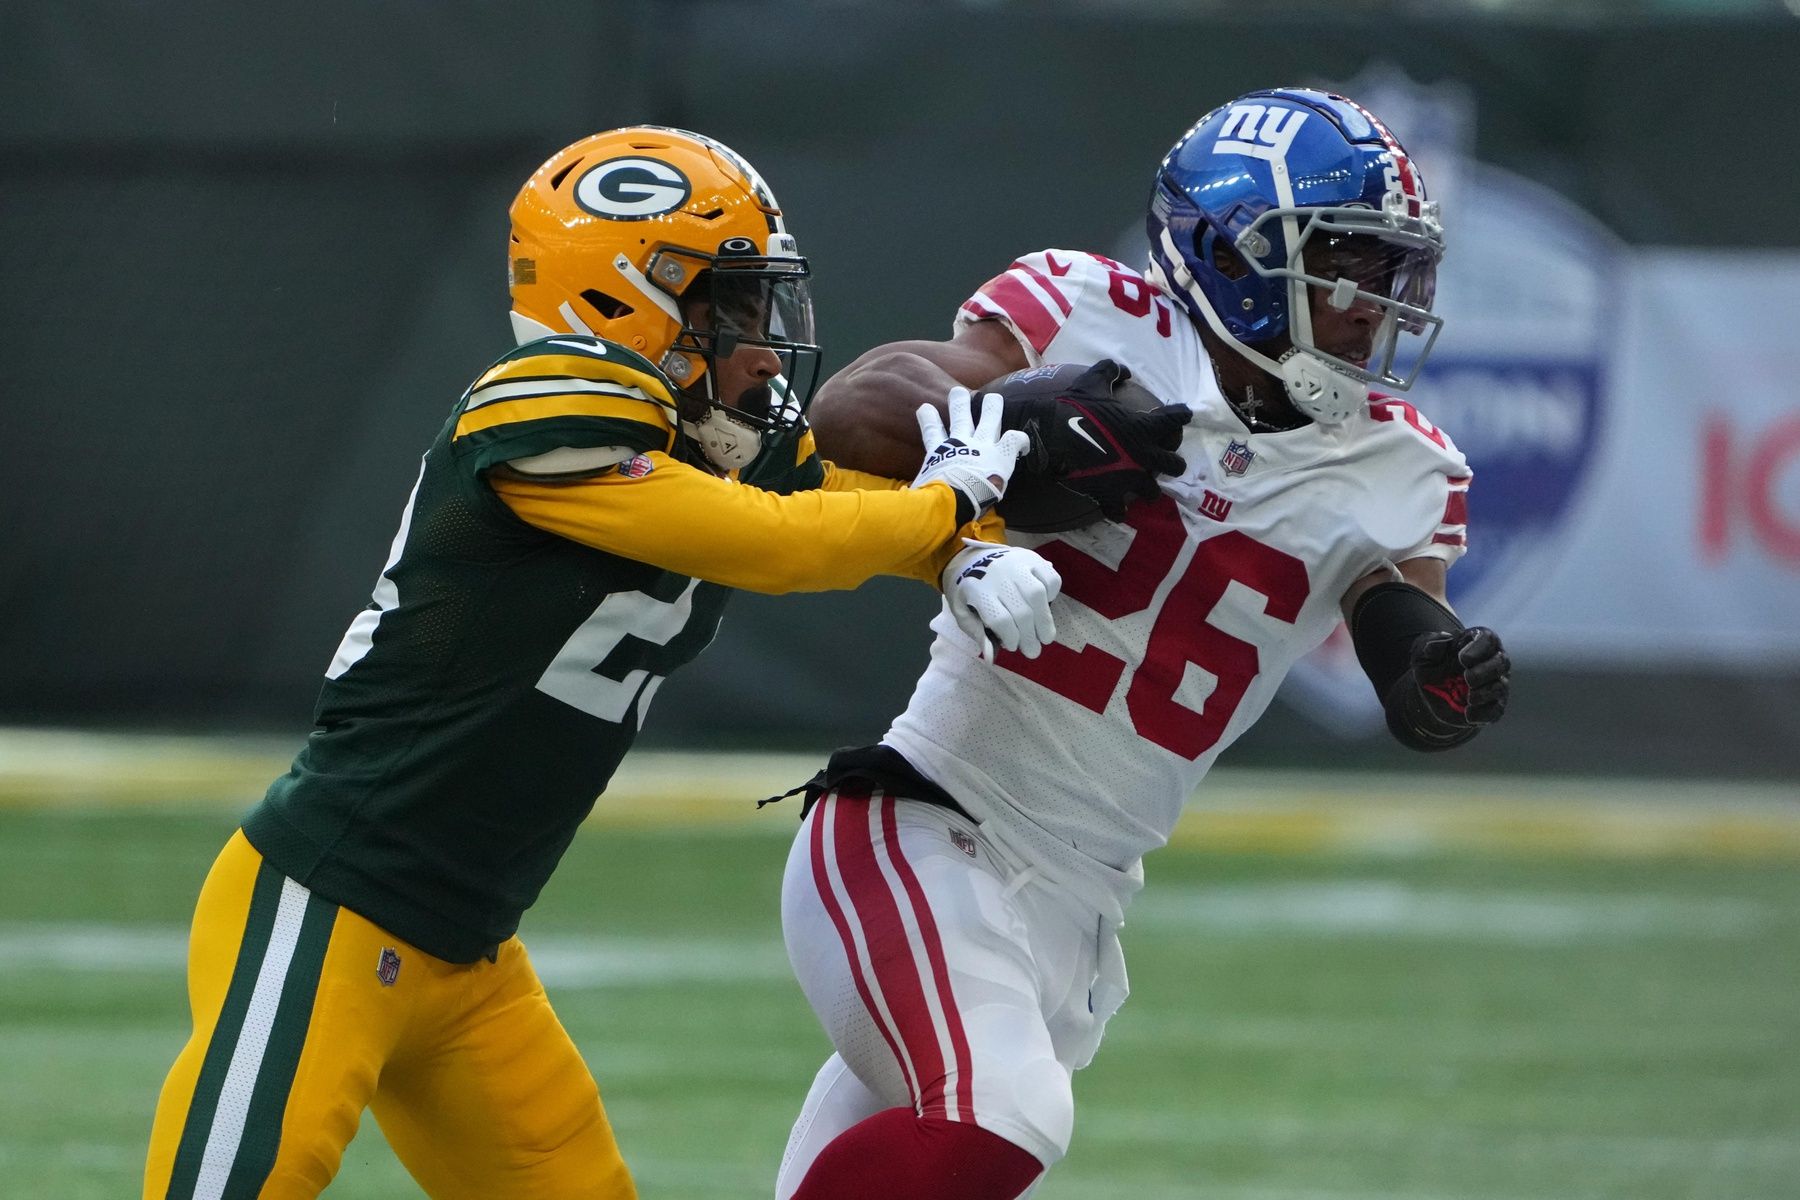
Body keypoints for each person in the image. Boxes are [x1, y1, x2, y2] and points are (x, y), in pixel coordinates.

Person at [139, 124, 1132, 1200]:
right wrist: (950, 505)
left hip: (465, 951)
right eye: (729, 305)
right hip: (329, 901)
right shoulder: (540, 411)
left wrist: (962, 554)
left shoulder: (708, 429)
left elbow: (841, 506)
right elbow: (772, 545)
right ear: (619, 298)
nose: (760, 340)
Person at [772, 88, 1513, 1200]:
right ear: (1237, 256)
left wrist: (1440, 679)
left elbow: (1404, 636)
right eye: (1349, 263)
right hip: (925, 821)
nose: (1378, 302)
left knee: (947, 1140)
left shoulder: (1399, 466)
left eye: (1393, 268)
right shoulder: (1092, 315)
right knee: (1004, 1114)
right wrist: (1017, 427)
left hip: (1079, 903)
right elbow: (851, 408)